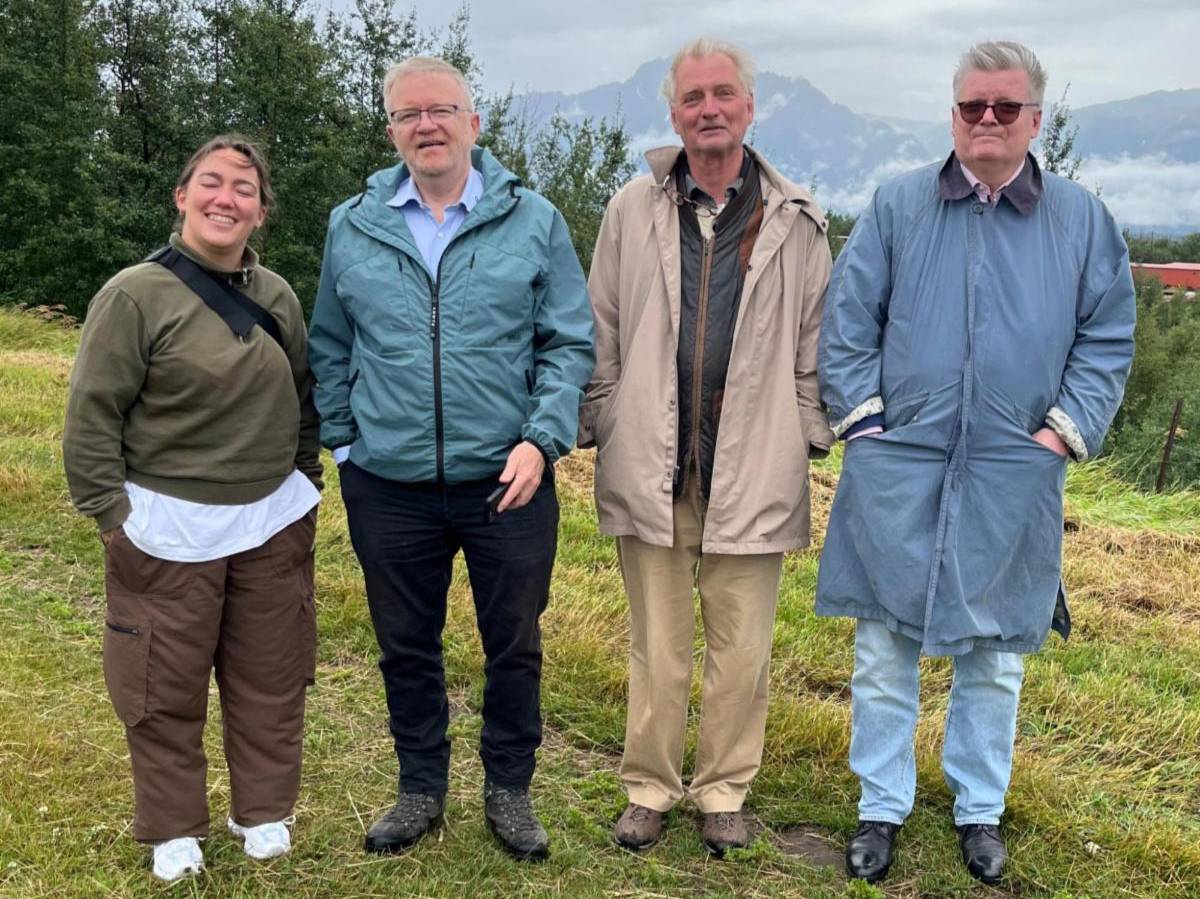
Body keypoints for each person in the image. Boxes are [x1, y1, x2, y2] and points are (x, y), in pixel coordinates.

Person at [816, 41, 1135, 885]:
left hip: (1014, 467)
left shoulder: (1082, 220)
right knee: (884, 644)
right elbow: (847, 323)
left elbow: (1107, 336)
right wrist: (867, 428)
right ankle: (880, 805)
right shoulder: (896, 206)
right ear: (952, 114)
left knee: (994, 652)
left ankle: (978, 809)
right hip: (899, 461)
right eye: (971, 107)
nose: (986, 121)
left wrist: (1059, 434)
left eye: (1004, 107)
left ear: (1036, 117)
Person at [308, 56, 593, 861]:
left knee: (514, 641)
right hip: (387, 483)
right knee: (405, 641)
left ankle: (509, 788)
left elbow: (568, 343)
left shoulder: (533, 219)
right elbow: (330, 342)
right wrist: (346, 441)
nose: (426, 125)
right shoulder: (352, 224)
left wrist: (541, 441)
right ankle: (419, 787)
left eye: (442, 110)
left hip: (507, 479)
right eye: (408, 114)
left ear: (474, 122)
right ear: (392, 130)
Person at [580, 38, 835, 856]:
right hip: (652, 462)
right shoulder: (631, 209)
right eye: (693, 98)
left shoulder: (798, 219)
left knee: (742, 652)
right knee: (656, 648)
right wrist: (603, 417)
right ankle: (649, 787)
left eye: (723, 94)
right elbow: (602, 330)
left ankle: (724, 789)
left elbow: (814, 347)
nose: (709, 109)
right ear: (674, 112)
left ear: (750, 107)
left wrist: (809, 432)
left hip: (754, 465)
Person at [63, 135, 323, 882]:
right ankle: (174, 825)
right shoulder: (133, 295)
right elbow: (91, 417)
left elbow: (303, 401)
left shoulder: (276, 295)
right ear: (182, 196)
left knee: (269, 676)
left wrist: (303, 488)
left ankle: (263, 810)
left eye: (243, 187)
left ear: (261, 212)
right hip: (165, 523)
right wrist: (113, 516)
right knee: (162, 683)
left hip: (270, 522)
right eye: (211, 182)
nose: (226, 197)